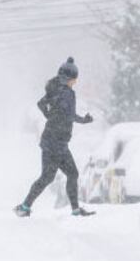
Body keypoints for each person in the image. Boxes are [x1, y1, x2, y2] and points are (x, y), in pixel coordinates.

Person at [15, 57, 95, 217]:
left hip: (49, 140)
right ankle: (75, 210)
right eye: (75, 79)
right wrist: (84, 120)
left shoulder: (54, 88)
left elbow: (41, 104)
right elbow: (69, 115)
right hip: (58, 143)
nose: (75, 82)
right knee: (71, 174)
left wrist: (49, 114)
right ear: (70, 78)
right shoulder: (67, 93)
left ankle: (24, 207)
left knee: (47, 177)